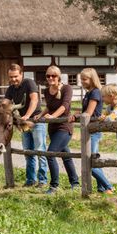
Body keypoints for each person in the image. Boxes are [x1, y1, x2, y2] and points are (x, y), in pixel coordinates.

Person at [69, 68, 114, 194]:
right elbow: (87, 111)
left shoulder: (95, 93)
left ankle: (108, 186)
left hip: (93, 130)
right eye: (81, 79)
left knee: (90, 162)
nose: (82, 81)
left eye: (84, 79)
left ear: (92, 79)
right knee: (94, 160)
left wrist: (78, 115)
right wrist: (79, 113)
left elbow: (88, 113)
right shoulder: (89, 93)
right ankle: (101, 188)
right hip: (89, 129)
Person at [39, 66, 79, 194]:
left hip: (64, 127)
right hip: (53, 129)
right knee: (66, 156)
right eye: (48, 76)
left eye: (53, 76)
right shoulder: (46, 91)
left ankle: (54, 186)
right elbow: (49, 107)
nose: (50, 78)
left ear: (59, 77)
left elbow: (64, 106)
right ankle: (75, 183)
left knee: (50, 154)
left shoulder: (67, 88)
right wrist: (40, 115)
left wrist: (53, 116)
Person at [4, 63, 44, 187]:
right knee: (28, 152)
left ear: (21, 74)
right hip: (24, 123)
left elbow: (34, 100)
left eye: (15, 76)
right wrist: (0, 108)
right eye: (11, 77)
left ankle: (42, 180)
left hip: (36, 121)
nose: (13, 79)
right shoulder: (11, 89)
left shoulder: (29, 83)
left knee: (40, 151)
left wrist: (27, 115)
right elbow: (5, 103)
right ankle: (30, 180)